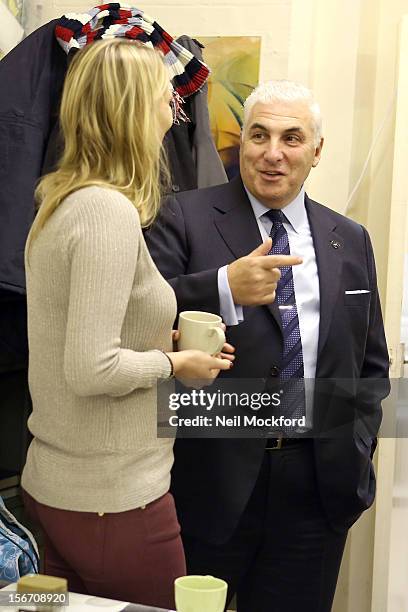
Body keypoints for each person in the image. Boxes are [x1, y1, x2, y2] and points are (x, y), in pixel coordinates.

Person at [146, 79, 390, 612]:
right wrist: (221, 287)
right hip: (207, 480)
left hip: (317, 484)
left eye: (292, 138)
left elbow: (369, 361)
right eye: (259, 135)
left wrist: (358, 445)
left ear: (317, 151)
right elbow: (139, 313)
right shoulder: (182, 216)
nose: (273, 154)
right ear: (243, 144)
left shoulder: (348, 237)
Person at [21, 39, 233, 609]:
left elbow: (77, 335)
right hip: (112, 501)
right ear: (133, 109)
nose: (174, 102)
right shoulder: (105, 211)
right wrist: (175, 362)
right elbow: (90, 369)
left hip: (61, 491)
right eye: (164, 93)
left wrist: (152, 342)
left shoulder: (61, 200)